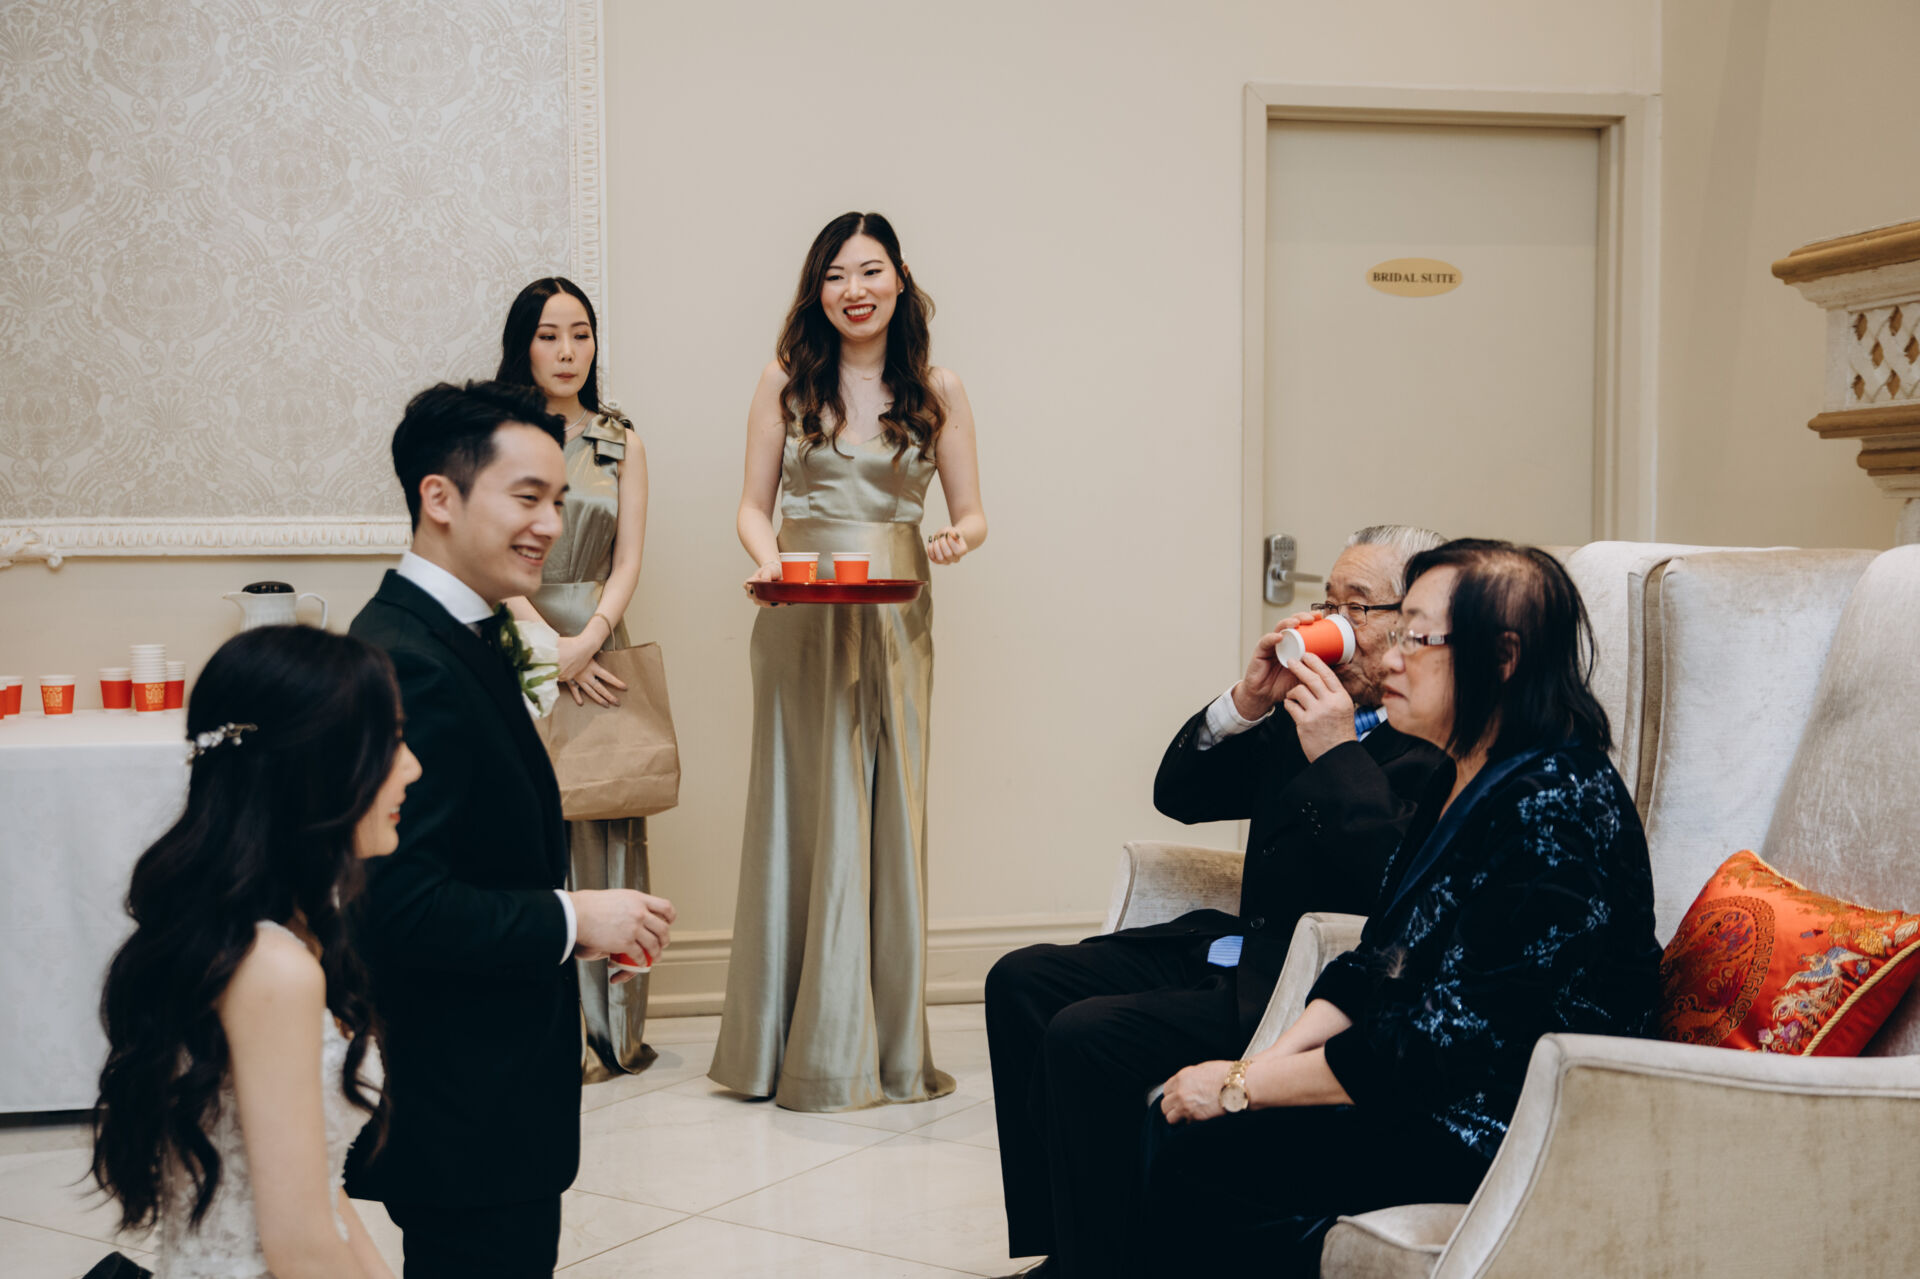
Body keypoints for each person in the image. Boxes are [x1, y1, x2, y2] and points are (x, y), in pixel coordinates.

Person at [1142, 539, 1663, 1276]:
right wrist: (1251, 1070)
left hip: (1507, 1124)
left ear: (1503, 657)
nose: (1389, 659)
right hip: (1431, 1088)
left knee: (1208, 1158)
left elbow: (1442, 1043)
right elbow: (1375, 959)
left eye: (1417, 639)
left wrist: (1239, 1089)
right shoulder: (1464, 773)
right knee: (1182, 1123)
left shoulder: (1556, 803)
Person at [984, 525, 1448, 1279]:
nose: (1333, 622)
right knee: (1021, 978)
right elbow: (1182, 795)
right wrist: (1246, 702)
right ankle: (1068, 1248)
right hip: (1233, 946)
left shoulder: (1431, 737)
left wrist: (1338, 750)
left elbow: (1398, 881)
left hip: (1303, 980)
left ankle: (1101, 1267)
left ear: (1412, 621)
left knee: (1084, 1034)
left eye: (1357, 607)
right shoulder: (1299, 710)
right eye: (1327, 602)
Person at [345, 381, 675, 1276]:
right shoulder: (408, 660)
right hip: (462, 1099)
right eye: (528, 497)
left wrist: (572, 922)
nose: (551, 525)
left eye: (558, 501)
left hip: (493, 1095)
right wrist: (574, 917)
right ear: (439, 497)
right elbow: (401, 905)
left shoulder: (462, 629)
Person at [710, 211, 988, 1112]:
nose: (853, 290)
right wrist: (766, 559)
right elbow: (753, 507)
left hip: (898, 615)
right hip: (796, 609)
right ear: (816, 290)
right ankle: (784, 1042)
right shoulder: (784, 380)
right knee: (799, 802)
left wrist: (956, 538)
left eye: (869, 271)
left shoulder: (938, 387)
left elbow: (974, 512)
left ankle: (881, 1045)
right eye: (834, 275)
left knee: (887, 807)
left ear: (899, 279)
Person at [91, 625, 419, 1279]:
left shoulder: (250, 932)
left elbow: (318, 1193)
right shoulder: (273, 969)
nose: (411, 767)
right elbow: (299, 1248)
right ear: (313, 768)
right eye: (389, 741)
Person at [495, 276, 656, 1082]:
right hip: (514, 638)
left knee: (603, 813)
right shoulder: (496, 435)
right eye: (550, 334)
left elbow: (627, 560)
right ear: (523, 343)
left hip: (596, 638)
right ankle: (536, 1026)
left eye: (581, 333)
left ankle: (609, 1030)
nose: (568, 351)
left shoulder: (622, 440)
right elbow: (488, 550)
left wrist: (587, 640)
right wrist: (545, 645)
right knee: (521, 824)